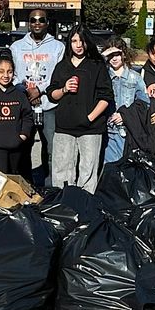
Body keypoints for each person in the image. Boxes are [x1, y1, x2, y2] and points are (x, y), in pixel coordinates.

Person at [46, 26, 113, 193]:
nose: (78, 45)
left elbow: (106, 97)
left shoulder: (96, 65)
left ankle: (85, 207)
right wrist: (64, 89)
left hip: (91, 128)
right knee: (61, 171)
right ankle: (63, 205)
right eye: (74, 41)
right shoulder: (62, 66)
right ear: (69, 43)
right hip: (64, 127)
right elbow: (51, 94)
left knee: (88, 172)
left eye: (81, 40)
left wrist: (89, 118)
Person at [10, 11, 66, 184]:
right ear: (28, 23)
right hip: (24, 106)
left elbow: (59, 76)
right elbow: (12, 75)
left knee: (51, 149)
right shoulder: (17, 47)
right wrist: (27, 91)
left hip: (49, 106)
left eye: (41, 20)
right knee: (22, 147)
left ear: (47, 23)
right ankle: (26, 184)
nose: (37, 23)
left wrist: (39, 90)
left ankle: (49, 184)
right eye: (33, 20)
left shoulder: (58, 47)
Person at [102, 37, 149, 163]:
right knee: (110, 172)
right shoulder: (102, 76)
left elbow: (145, 104)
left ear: (123, 54)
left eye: (117, 54)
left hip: (128, 133)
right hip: (108, 132)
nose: (114, 58)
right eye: (110, 55)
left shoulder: (135, 78)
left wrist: (125, 115)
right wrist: (102, 56)